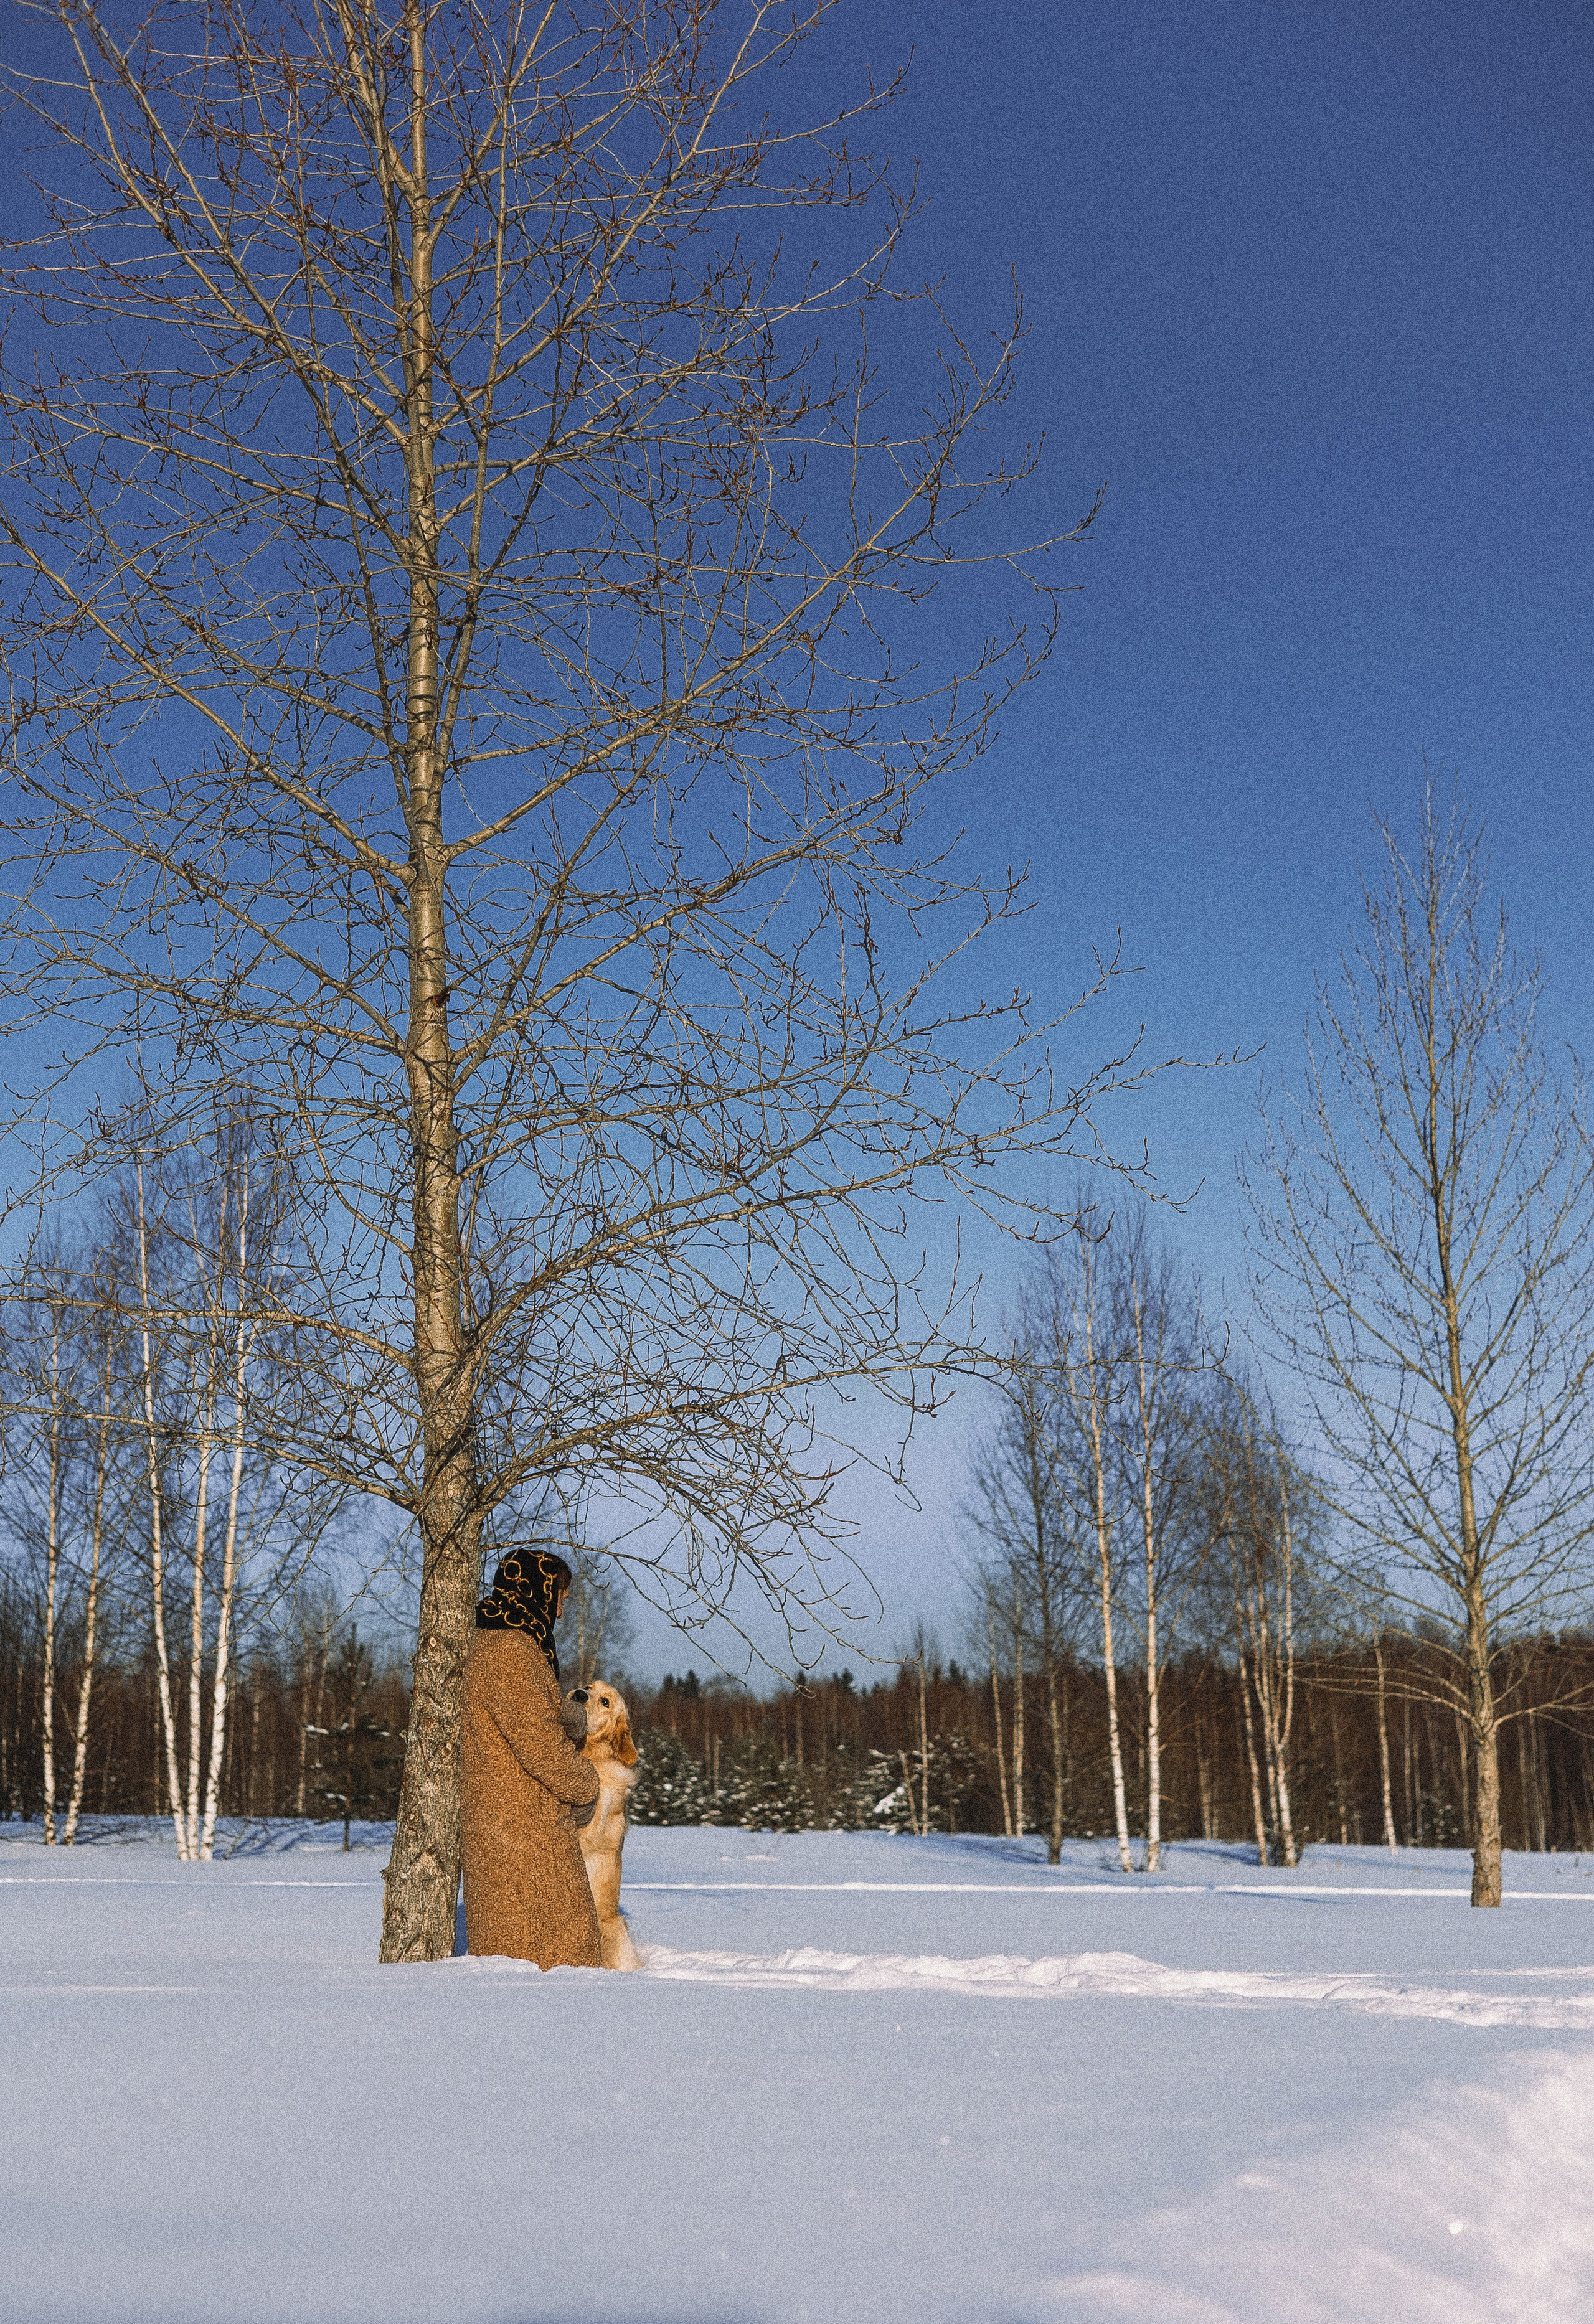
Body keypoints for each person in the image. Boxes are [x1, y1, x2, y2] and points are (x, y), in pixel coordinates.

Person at [461, 1547, 602, 1967]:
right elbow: (537, 1741)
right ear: (536, 1589)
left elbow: (529, 1710)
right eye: (559, 1594)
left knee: (538, 1965)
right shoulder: (511, 1649)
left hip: (518, 1825)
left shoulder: (512, 1640)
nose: (561, 1609)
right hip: (519, 1832)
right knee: (548, 1966)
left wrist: (571, 1714)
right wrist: (586, 1785)